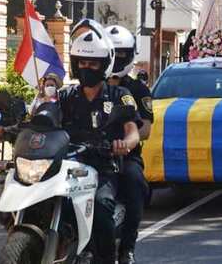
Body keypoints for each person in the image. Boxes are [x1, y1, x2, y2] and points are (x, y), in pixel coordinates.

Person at [61, 20, 141, 264]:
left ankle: (109, 257)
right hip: (68, 166)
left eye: (93, 63)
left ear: (104, 65)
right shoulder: (65, 96)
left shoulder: (120, 95)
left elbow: (133, 131)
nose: (87, 68)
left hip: (103, 165)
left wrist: (125, 144)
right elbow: (43, 121)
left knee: (101, 206)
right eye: (82, 63)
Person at [105, 25, 152, 264]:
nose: (116, 58)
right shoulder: (89, 85)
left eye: (121, 53)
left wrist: (125, 141)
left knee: (135, 182)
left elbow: (145, 128)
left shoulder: (137, 89)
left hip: (124, 154)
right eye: (112, 52)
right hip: (88, 151)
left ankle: (127, 248)